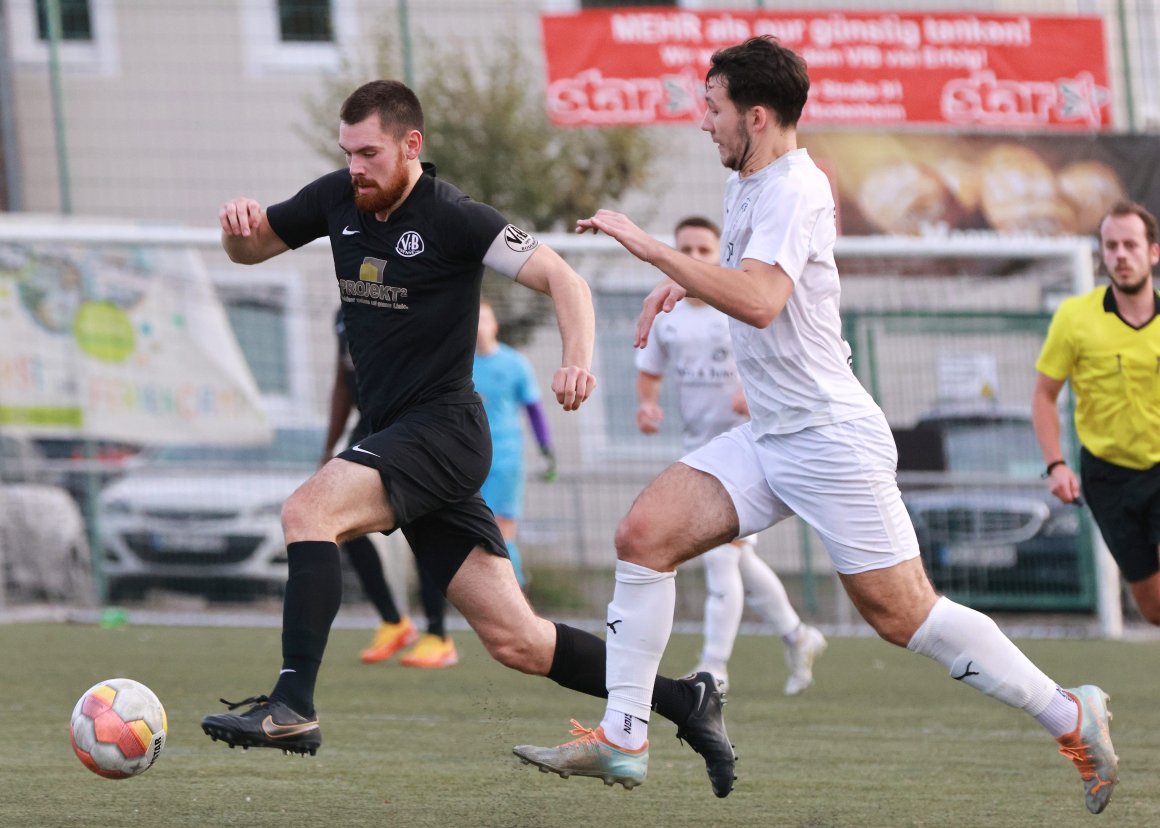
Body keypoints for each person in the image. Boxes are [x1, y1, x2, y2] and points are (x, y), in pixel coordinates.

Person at [513, 38, 1119, 814]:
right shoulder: (750, 183)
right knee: (644, 534)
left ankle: (1071, 713)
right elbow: (761, 293)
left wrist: (656, 254)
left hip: (829, 435)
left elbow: (763, 299)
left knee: (905, 617)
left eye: (713, 108)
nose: (704, 122)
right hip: (772, 433)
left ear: (755, 117)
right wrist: (691, 291)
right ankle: (624, 735)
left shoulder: (796, 186)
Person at [200, 80, 736, 797]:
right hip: (403, 437)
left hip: (443, 431)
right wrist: (238, 233)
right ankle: (683, 700)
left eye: (369, 152)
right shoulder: (338, 196)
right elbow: (254, 248)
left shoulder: (453, 216)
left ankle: (292, 705)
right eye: (348, 152)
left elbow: (565, 279)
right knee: (519, 640)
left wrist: (576, 361)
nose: (356, 166)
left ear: (410, 145)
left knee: (309, 511)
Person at [635, 216, 825, 695]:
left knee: (719, 560)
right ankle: (798, 636)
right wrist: (647, 404)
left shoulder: (737, 307)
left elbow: (782, 357)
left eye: (704, 249)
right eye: (685, 249)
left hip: (752, 448)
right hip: (699, 450)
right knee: (737, 563)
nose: (694, 258)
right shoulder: (669, 314)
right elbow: (649, 371)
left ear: (721, 254)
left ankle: (713, 668)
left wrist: (751, 392)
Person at [1032, 199, 1160, 627]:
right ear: (1102, 254)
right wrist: (1056, 465)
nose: (1121, 255)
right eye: (1111, 246)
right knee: (1154, 606)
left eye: (1131, 245)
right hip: (1108, 477)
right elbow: (1045, 396)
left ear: (1153, 252)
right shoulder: (1075, 317)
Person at [322, 307, 458, 668]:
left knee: (426, 527)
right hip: (365, 429)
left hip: (408, 427)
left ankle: (438, 635)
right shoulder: (343, 313)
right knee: (334, 521)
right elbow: (342, 383)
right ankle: (393, 621)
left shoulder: (402, 299)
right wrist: (329, 445)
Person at [474, 299, 556, 587]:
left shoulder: (515, 364)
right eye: (474, 320)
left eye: (484, 319)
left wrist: (546, 451)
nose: (479, 327)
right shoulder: (458, 366)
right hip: (467, 462)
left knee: (501, 532)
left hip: (506, 459)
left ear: (495, 324)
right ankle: (493, 598)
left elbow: (534, 409)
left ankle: (515, 590)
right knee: (473, 535)